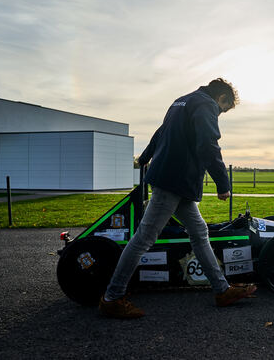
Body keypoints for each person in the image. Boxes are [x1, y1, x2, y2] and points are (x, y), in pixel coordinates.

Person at [99, 78, 256, 319]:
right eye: (223, 110)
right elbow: (208, 145)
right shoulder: (206, 105)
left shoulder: (181, 101)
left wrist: (144, 157)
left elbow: (161, 132)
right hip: (174, 180)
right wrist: (223, 184)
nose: (220, 113)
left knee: (199, 233)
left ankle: (222, 290)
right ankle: (112, 297)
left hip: (175, 181)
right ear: (222, 98)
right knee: (144, 238)